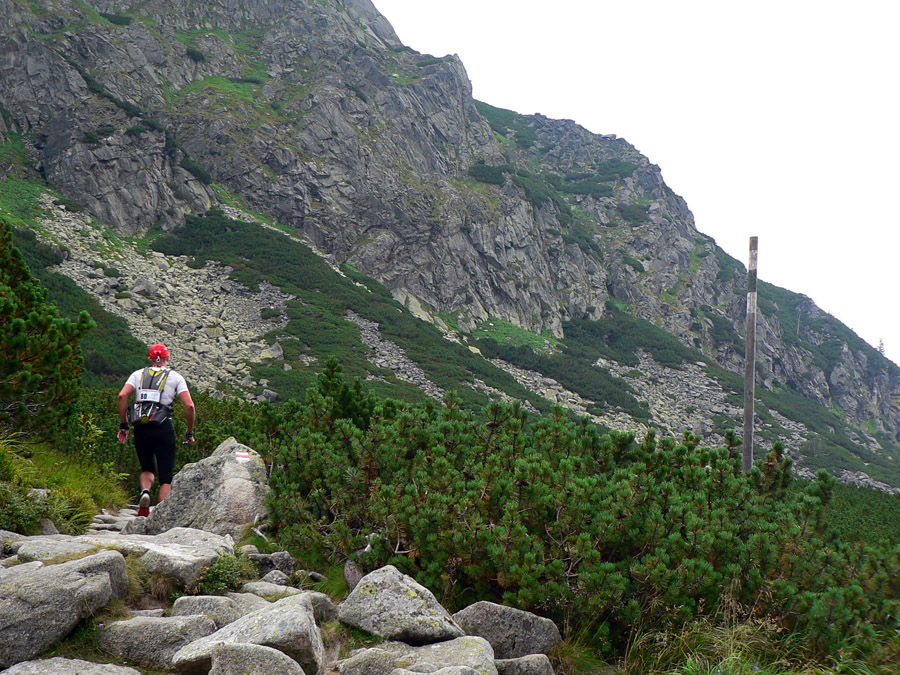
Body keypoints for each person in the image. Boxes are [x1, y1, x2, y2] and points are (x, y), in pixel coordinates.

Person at [117, 343, 196, 517]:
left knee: (147, 467)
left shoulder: (137, 374)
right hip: (164, 426)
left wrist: (124, 424)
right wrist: (189, 432)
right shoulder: (175, 377)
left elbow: (122, 395)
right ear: (167, 358)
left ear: (151, 358)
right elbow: (189, 406)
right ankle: (161, 514)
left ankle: (145, 492)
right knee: (166, 475)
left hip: (141, 427)